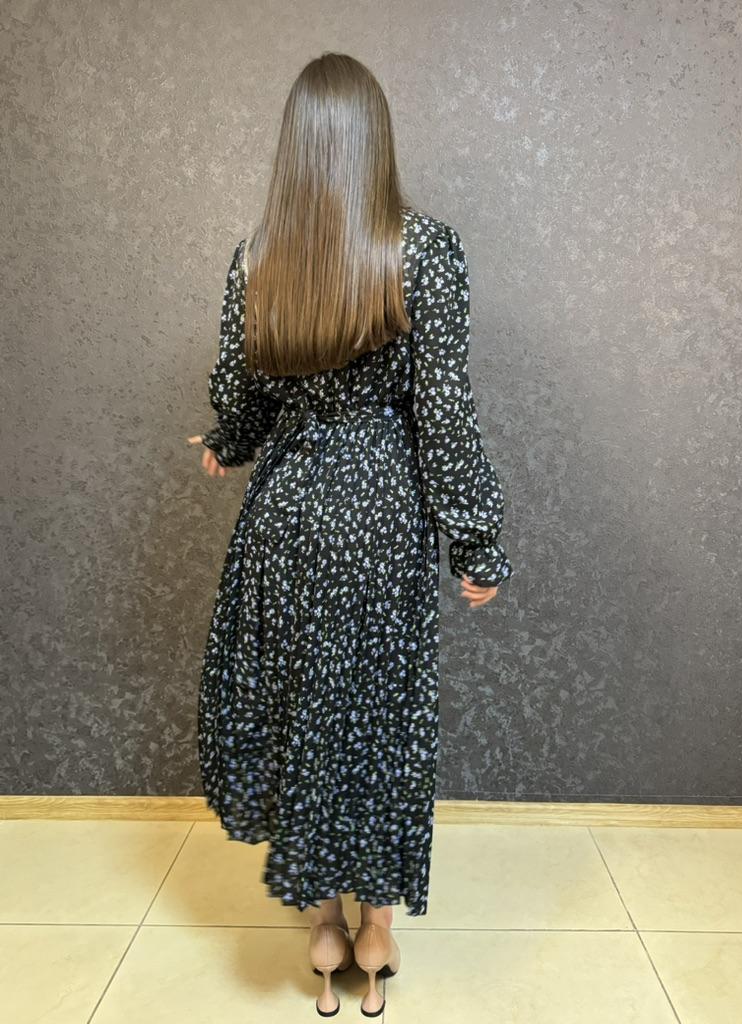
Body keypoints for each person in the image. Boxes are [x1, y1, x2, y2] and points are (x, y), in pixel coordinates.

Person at [187, 51, 514, 1019]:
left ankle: (323, 926)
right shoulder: (427, 251)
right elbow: (444, 416)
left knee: (303, 712)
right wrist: (477, 544)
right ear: (377, 141)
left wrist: (229, 443)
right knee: (379, 717)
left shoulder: (258, 258)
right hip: (380, 518)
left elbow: (241, 395)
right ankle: (376, 931)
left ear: (296, 146)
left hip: (289, 516)